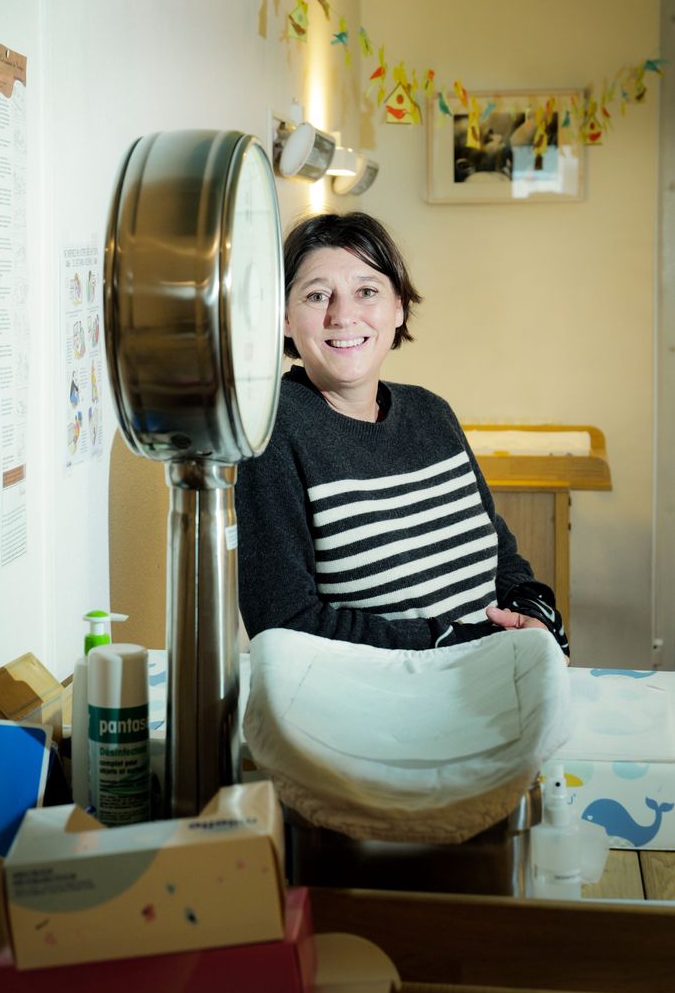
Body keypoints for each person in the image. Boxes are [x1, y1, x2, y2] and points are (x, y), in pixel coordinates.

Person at [235, 211, 569, 659]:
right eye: (316, 296)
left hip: (488, 673)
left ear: (398, 307)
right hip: (394, 693)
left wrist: (534, 616)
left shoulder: (431, 412)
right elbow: (285, 623)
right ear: (285, 318)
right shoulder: (271, 432)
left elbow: (500, 555)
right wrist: (458, 646)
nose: (343, 315)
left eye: (366, 292)